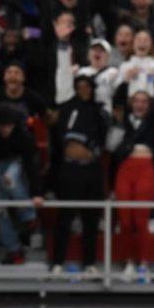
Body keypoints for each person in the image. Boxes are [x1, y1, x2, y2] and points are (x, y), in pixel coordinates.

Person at [111, 80, 154, 279]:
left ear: (149, 104)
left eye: (144, 101)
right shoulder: (123, 120)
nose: (140, 104)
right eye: (136, 101)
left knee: (141, 219)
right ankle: (128, 262)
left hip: (146, 169)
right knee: (126, 220)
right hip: (124, 170)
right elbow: (118, 100)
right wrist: (126, 79)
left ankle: (143, 264)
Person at [50, 74, 107, 276]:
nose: (84, 90)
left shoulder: (99, 111)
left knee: (91, 219)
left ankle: (90, 262)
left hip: (92, 170)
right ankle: (57, 262)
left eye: (87, 86)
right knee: (65, 217)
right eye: (80, 86)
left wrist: (91, 152)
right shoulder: (66, 109)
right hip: (70, 171)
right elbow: (61, 140)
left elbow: (104, 138)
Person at [0, 104, 44, 265]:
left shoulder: (24, 138)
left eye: (9, 125)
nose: (5, 129)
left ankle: (28, 216)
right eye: (2, 126)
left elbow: (31, 167)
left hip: (17, 163)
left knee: (9, 179)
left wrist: (36, 194)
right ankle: (14, 250)